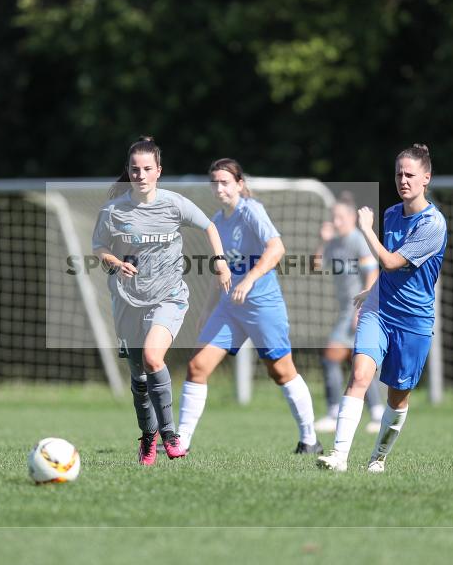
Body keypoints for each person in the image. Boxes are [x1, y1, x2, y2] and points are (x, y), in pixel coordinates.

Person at [92, 136, 232, 465]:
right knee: (139, 378)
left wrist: (220, 261)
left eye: (147, 169)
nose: (140, 175)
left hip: (168, 297)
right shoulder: (113, 211)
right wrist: (115, 262)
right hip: (127, 300)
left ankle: (170, 435)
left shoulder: (174, 204)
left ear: (159, 171)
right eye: (134, 169)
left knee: (153, 358)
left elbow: (210, 226)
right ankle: (148, 437)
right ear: (128, 171)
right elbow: (99, 247)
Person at [177, 158, 322, 454]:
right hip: (229, 308)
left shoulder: (251, 210)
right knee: (197, 366)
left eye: (225, 182)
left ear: (239, 184)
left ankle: (310, 440)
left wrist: (249, 280)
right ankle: (181, 443)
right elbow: (222, 272)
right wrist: (207, 309)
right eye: (214, 183)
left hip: (262, 306)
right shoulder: (217, 222)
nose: (219, 188)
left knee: (281, 372)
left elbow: (277, 248)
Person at [317, 143, 447, 473]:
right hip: (379, 310)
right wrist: (371, 291)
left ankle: (378, 457)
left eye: (410, 175)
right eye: (398, 174)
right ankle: (338, 457)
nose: (403, 180)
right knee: (360, 374)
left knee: (397, 397)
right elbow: (388, 272)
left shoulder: (432, 224)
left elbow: (390, 262)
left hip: (414, 320)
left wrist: (365, 229)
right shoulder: (391, 214)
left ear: (426, 178)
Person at [313, 200, 383, 434]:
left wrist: (362, 308)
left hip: (359, 309)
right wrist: (323, 240)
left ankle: (335, 413)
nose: (336, 221)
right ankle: (377, 413)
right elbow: (316, 266)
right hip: (347, 310)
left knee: (332, 357)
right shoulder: (334, 243)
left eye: (340, 217)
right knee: (360, 361)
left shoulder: (357, 240)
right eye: (334, 217)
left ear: (352, 218)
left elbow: (372, 272)